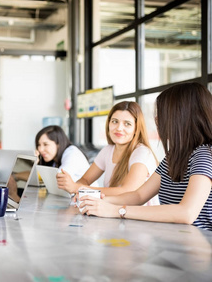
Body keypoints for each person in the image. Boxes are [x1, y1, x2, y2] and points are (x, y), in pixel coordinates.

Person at [80, 82, 212, 231]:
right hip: (175, 240)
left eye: (162, 114)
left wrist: (117, 210)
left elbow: (186, 213)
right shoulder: (173, 157)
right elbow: (139, 195)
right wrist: (99, 202)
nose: (157, 120)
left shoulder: (204, 155)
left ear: (182, 117)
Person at [57, 101, 159, 204]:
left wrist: (79, 189)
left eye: (127, 124)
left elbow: (128, 191)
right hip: (115, 213)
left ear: (136, 129)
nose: (119, 128)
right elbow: (85, 179)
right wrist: (78, 192)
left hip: (140, 217)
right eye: (115, 121)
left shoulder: (142, 153)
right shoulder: (108, 150)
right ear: (108, 124)